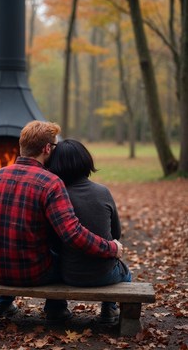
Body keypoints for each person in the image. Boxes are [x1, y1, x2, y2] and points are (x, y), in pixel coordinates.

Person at [0, 120, 123, 322]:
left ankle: (1, 303)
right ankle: (56, 309)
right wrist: (111, 248)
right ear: (47, 148)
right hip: (33, 272)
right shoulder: (50, 182)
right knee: (62, 258)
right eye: (54, 146)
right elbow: (73, 234)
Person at [47, 139, 131, 324]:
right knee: (126, 273)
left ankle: (56, 309)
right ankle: (109, 309)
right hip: (105, 274)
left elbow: (53, 240)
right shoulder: (103, 192)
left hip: (67, 274)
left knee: (53, 256)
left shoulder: (56, 197)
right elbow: (116, 233)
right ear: (86, 161)